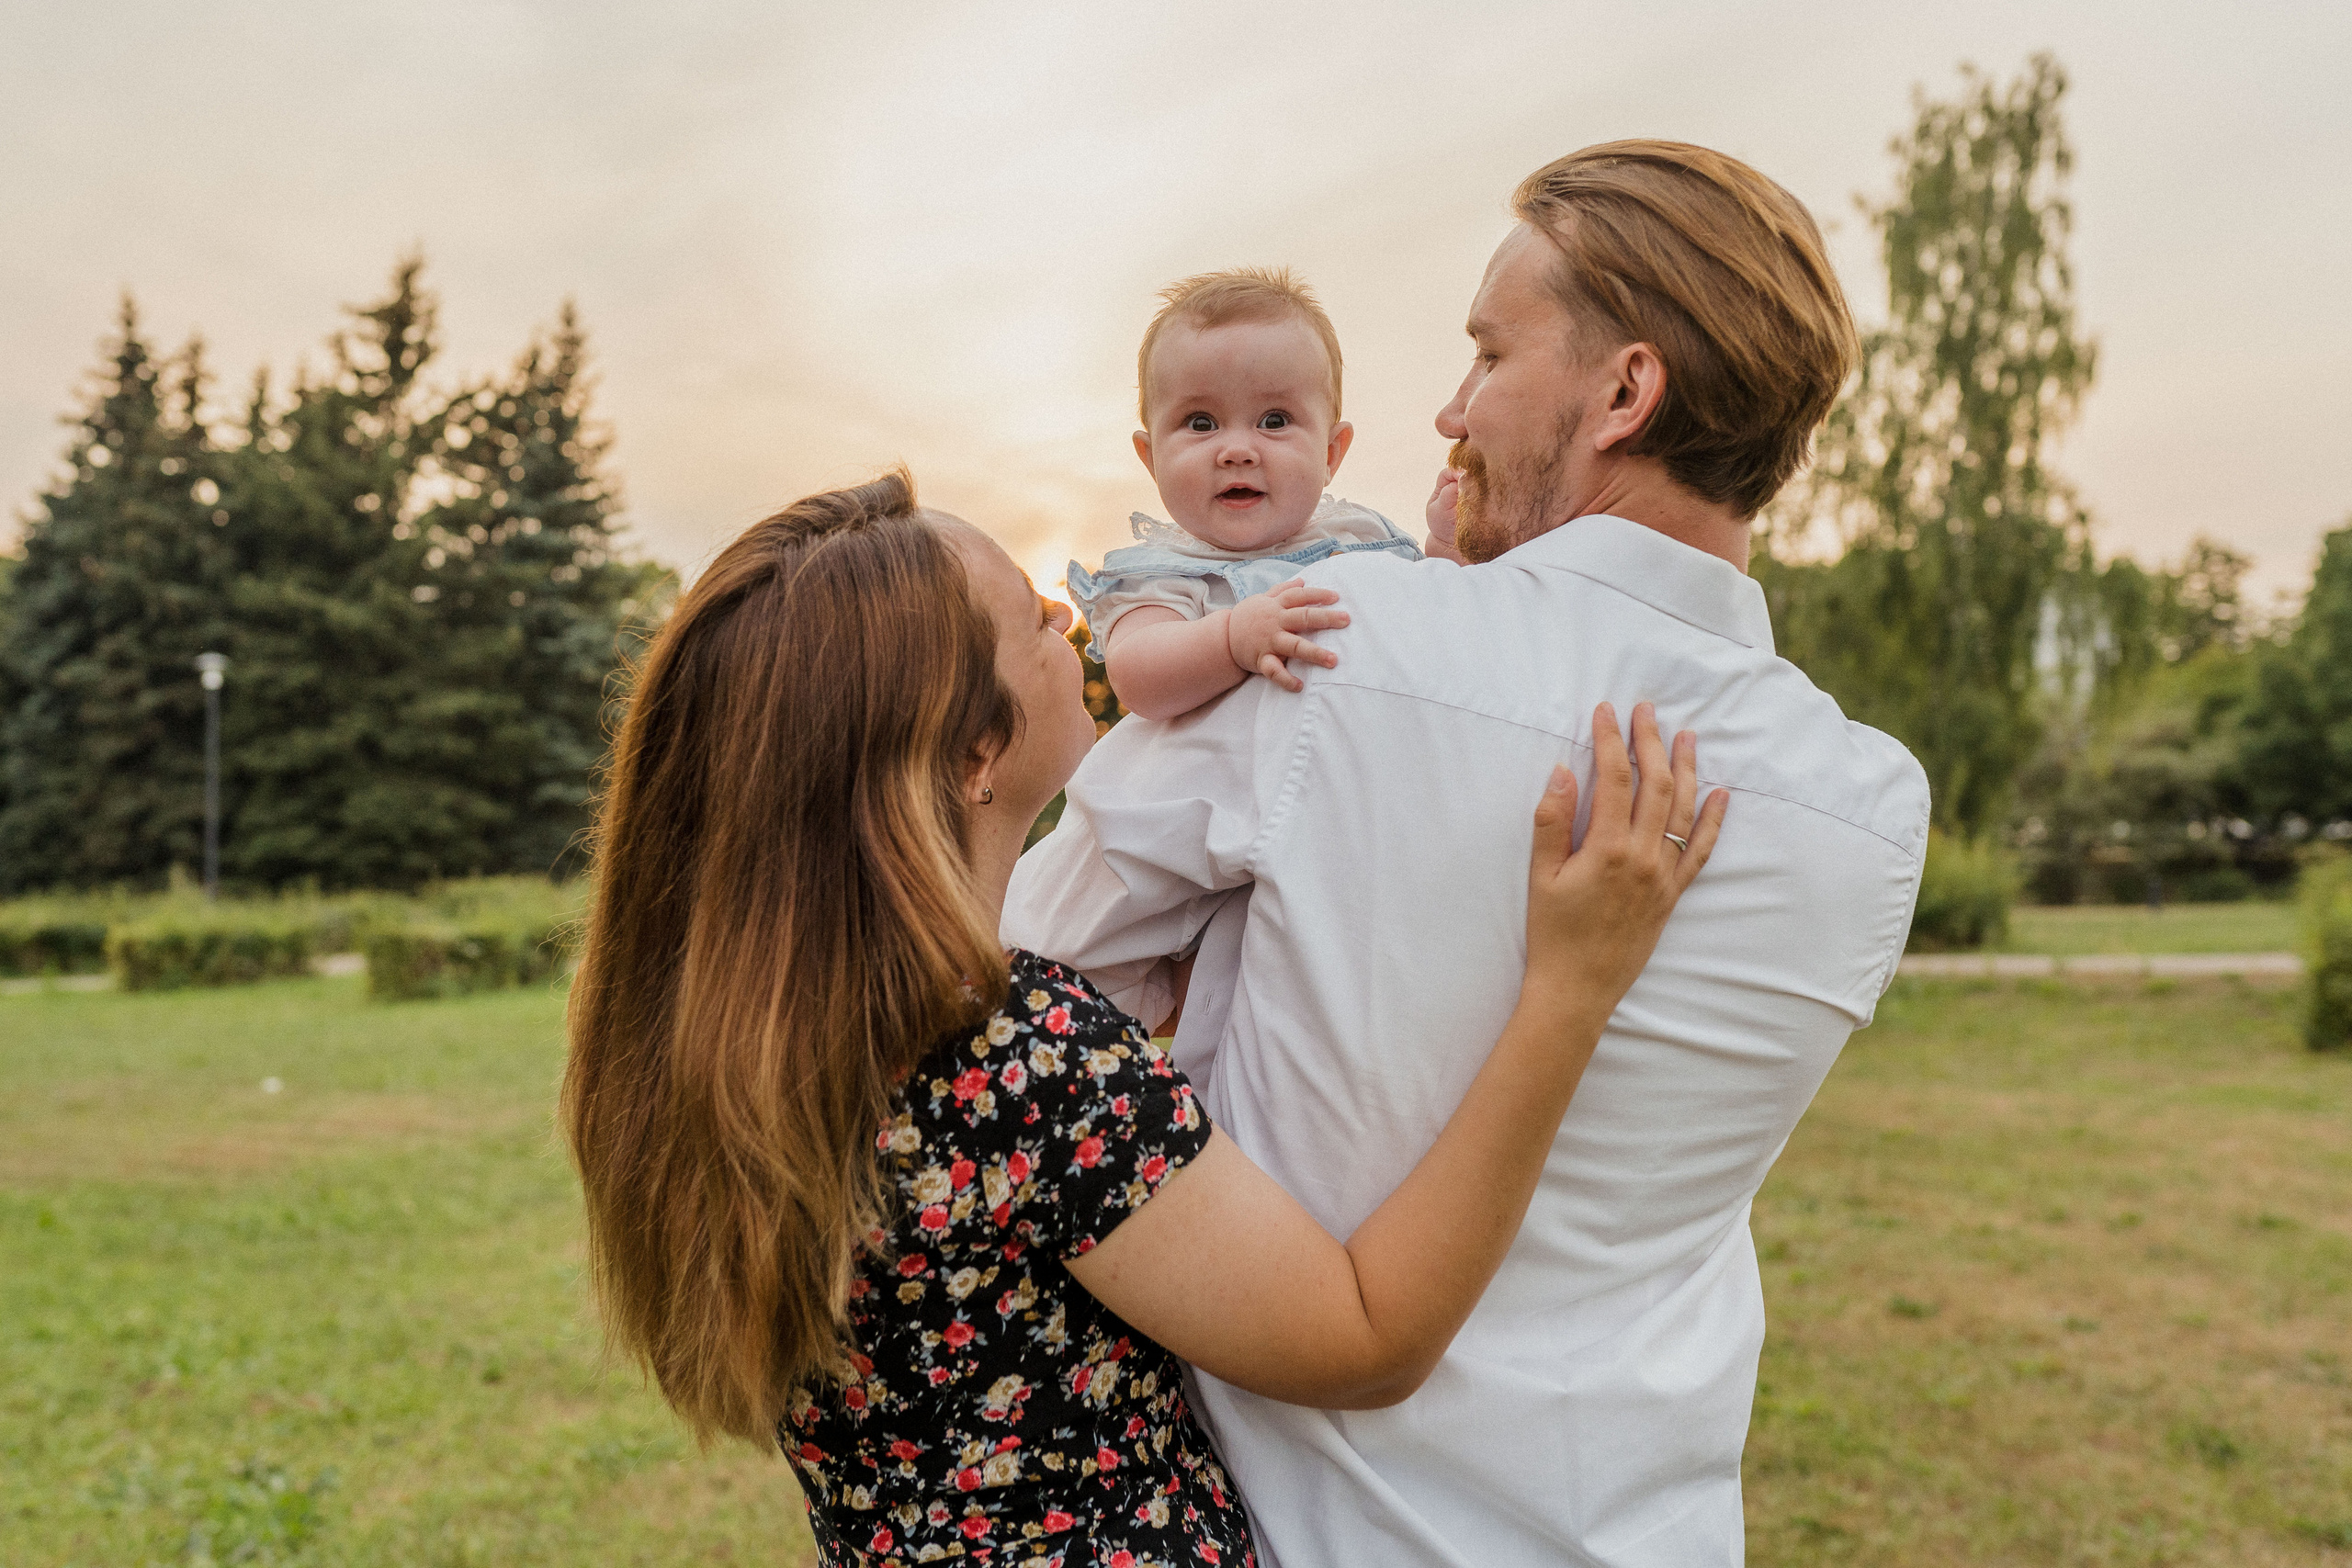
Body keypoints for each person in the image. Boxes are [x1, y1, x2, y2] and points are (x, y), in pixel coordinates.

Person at [1004, 141, 1934, 1565]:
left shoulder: (1333, 650)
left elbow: (1018, 978)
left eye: (1489, 354)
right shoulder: (1871, 807)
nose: (1447, 410)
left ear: (1625, 392)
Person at [559, 468, 1725, 1565]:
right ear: (975, 749)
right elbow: (1369, 1338)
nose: (1074, 630)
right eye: (1033, 622)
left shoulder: (753, 1051)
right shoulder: (1013, 1057)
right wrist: (1570, 987)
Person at [1066, 266, 1420, 721]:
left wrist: (1451, 555)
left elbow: (1436, 620)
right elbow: (1138, 677)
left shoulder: (1362, 539)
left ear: (1330, 453)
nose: (1236, 451)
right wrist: (1231, 639)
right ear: (1151, 460)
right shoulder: (1165, 578)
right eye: (1201, 423)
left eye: (1274, 421)